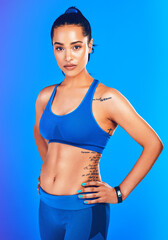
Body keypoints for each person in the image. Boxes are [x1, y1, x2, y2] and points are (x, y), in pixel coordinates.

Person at [34, 6, 164, 240]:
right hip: (46, 205)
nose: (68, 57)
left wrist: (119, 193)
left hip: (84, 210)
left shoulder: (106, 98)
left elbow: (153, 144)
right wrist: (49, 171)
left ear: (89, 45)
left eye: (76, 46)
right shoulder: (46, 96)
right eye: (59, 48)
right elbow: (40, 133)